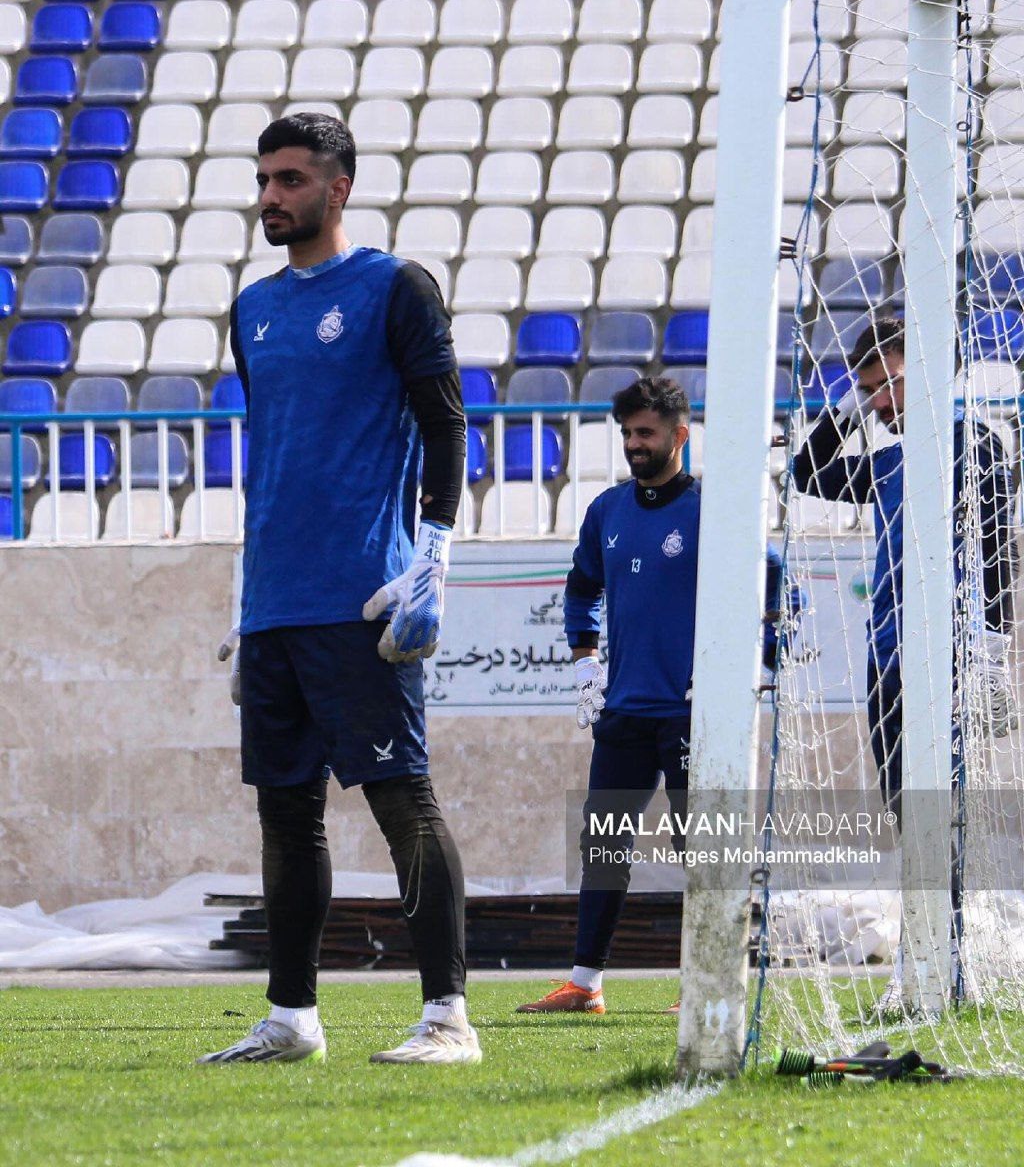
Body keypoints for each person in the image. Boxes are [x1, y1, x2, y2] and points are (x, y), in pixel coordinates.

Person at [198, 113, 480, 1065]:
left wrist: (432, 556)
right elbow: (276, 455)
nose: (270, 196)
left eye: (289, 179)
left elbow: (446, 424)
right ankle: (293, 1019)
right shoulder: (252, 308)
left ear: (338, 187)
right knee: (286, 815)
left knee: (403, 801)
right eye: (263, 180)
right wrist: (246, 598)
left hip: (363, 598)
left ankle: (448, 1018)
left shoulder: (397, 288)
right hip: (276, 603)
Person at [517, 376, 789, 1014]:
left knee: (701, 846)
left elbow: (775, 581)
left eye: (646, 432)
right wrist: (586, 662)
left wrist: (759, 656)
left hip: (694, 713)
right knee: (603, 843)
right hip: (624, 712)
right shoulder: (607, 510)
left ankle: (707, 982)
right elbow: (581, 588)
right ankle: (585, 984)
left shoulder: (713, 510)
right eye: (627, 433)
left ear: (679, 436)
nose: (634, 444)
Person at [792, 315, 1016, 1003]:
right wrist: (851, 404)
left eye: (887, 384)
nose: (880, 402)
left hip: (949, 657)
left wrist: (995, 649)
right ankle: (928, 956)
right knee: (904, 810)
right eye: (870, 390)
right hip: (886, 655)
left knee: (940, 809)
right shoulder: (887, 460)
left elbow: (996, 549)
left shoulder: (973, 441)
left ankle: (948, 959)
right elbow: (807, 472)